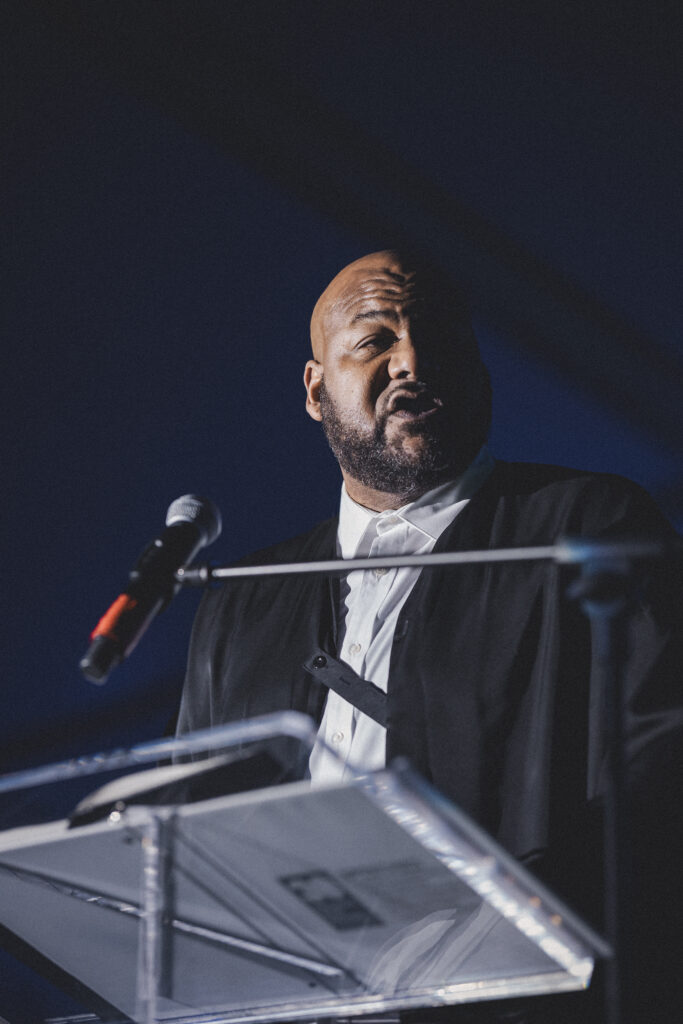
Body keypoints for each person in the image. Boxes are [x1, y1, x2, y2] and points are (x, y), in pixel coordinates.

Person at [177, 250, 682, 1023]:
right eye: (374, 339)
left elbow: (654, 789)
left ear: (479, 373)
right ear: (316, 390)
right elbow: (187, 839)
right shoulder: (246, 600)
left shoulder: (583, 529)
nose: (411, 360)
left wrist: (492, 931)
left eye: (437, 338)